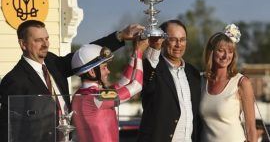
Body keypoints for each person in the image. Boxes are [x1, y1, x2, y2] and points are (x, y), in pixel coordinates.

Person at [0, 19, 144, 142]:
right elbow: (9, 130)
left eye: (46, 38)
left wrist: (120, 36)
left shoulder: (52, 61)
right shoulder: (14, 80)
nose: (45, 44)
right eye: (38, 40)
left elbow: (84, 57)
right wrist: (138, 52)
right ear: (23, 44)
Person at [71, 37, 148, 142]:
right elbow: (137, 86)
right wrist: (139, 53)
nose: (108, 71)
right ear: (92, 72)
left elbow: (124, 82)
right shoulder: (96, 97)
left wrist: (134, 52)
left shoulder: (88, 94)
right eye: (104, 67)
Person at [138, 19, 202, 142]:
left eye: (182, 39)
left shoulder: (193, 73)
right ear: (163, 41)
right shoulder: (152, 68)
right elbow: (147, 77)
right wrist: (154, 48)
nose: (179, 44)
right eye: (173, 39)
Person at [199, 24, 257, 142]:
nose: (226, 56)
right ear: (211, 52)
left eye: (230, 51)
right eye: (221, 51)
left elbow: (251, 128)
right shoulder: (200, 80)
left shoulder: (241, 82)